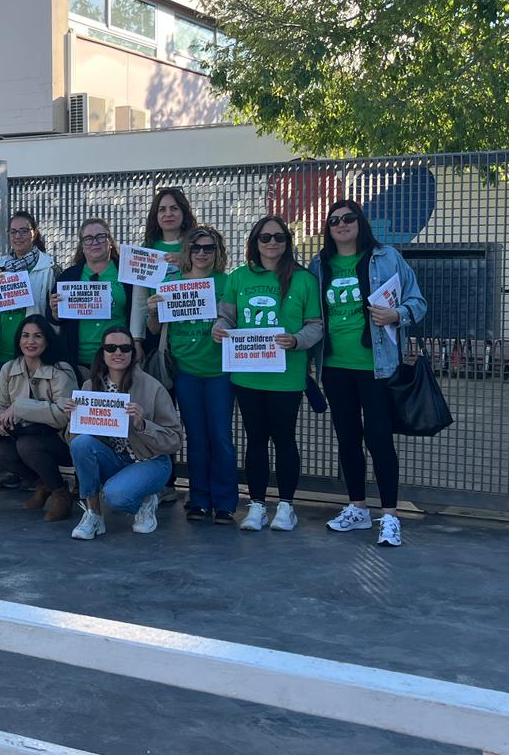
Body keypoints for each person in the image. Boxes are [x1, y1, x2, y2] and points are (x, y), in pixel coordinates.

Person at [307, 199, 427, 547]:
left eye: (348, 218)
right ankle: (357, 508)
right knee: (347, 438)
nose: (342, 224)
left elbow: (418, 301)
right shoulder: (318, 265)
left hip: (377, 366)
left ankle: (389, 515)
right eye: (334, 221)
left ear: (360, 222)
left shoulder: (387, 257)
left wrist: (397, 314)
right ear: (327, 229)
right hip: (334, 366)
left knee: (379, 438)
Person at [213, 217, 324, 532]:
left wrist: (296, 340)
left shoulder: (303, 280)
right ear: (255, 242)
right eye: (265, 237)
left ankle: (286, 506)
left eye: (279, 237)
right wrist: (219, 328)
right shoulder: (239, 277)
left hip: (287, 376)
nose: (272, 243)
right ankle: (258, 504)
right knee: (256, 439)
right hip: (248, 375)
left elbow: (316, 325)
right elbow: (226, 316)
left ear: (287, 242)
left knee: (285, 438)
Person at [147, 225, 237, 524]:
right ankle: (199, 499)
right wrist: (152, 311)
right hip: (185, 372)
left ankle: (225, 502)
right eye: (196, 247)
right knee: (196, 437)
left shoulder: (228, 281)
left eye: (208, 248)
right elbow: (154, 328)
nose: (201, 253)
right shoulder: (170, 282)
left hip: (220, 372)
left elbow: (238, 319)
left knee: (221, 436)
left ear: (217, 251)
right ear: (187, 251)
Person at [67, 327, 182, 539]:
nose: (118, 353)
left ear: (133, 352)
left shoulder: (152, 387)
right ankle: (93, 514)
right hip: (114, 459)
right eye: (111, 348)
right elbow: (74, 443)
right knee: (81, 444)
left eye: (125, 348)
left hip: (150, 461)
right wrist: (74, 418)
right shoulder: (89, 386)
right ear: (102, 353)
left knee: (116, 497)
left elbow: (174, 440)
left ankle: (146, 500)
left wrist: (142, 425)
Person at [0, 315, 80, 521]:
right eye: (25, 336)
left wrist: (21, 407)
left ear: (47, 340)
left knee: (27, 445)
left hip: (60, 440)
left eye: (38, 336)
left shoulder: (61, 370)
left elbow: (64, 415)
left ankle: (60, 493)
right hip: (22, 434)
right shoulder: (9, 368)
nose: (30, 341)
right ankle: (43, 483)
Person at [51, 218, 130, 374]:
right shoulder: (69, 276)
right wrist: (55, 311)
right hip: (78, 360)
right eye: (88, 238)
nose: (95, 242)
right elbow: (55, 319)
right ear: (81, 245)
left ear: (109, 240)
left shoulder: (126, 274)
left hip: (117, 359)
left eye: (100, 237)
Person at [0, 211, 58, 369]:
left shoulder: (49, 268)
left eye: (23, 231)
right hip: (1, 350)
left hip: (33, 351)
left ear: (34, 233)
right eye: (13, 232)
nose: (17, 236)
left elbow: (54, 314)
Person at [130, 186, 198, 347]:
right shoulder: (147, 248)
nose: (168, 214)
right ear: (155, 215)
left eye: (174, 208)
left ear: (184, 212)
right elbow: (140, 298)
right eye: (162, 210)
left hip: (195, 326)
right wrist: (136, 340)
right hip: (158, 329)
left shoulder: (197, 244)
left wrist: (187, 260)